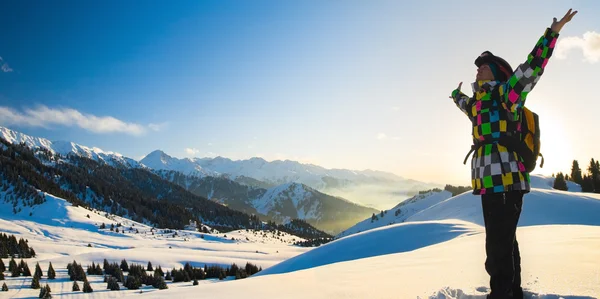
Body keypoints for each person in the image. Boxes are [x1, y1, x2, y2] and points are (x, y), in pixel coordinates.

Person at [449, 9, 577, 299]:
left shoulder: (507, 95)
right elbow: (464, 105)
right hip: (488, 184)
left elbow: (532, 67)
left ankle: (501, 294)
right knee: (504, 242)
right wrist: (456, 96)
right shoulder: (477, 106)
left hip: (507, 180)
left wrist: (552, 33)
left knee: (497, 247)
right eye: (478, 66)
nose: (478, 68)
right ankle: (512, 292)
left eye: (484, 65)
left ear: (498, 73)